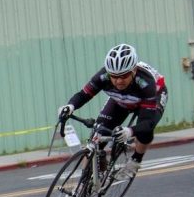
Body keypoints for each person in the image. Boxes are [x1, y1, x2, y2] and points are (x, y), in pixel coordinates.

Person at [57, 43, 167, 179]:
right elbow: (83, 95)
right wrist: (70, 106)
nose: (119, 80)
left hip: (152, 96)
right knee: (98, 135)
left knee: (144, 131)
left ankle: (136, 161)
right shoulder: (103, 76)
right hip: (120, 100)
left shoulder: (146, 83)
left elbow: (148, 122)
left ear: (133, 70)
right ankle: (83, 180)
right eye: (114, 76)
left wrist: (129, 131)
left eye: (124, 75)